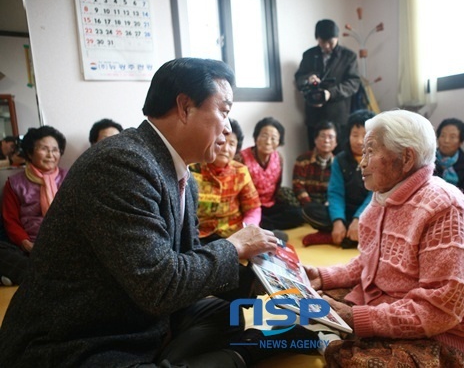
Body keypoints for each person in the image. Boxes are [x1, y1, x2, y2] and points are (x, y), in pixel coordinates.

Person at [0, 58, 280, 368]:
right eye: (224, 111)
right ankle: (236, 356)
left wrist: (266, 283)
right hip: (78, 338)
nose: (228, 128)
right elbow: (160, 285)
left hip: (145, 319)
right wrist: (235, 245)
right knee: (254, 336)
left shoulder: (178, 172)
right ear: (185, 106)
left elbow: (189, 258)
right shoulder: (121, 164)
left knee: (278, 318)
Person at [304, 109, 464, 367]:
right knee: (307, 303)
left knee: (360, 361)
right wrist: (323, 276)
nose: (362, 162)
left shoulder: (447, 211)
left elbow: (437, 312)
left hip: (448, 335)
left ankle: (335, 341)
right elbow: (369, 263)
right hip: (391, 301)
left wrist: (354, 318)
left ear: (406, 158)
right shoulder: (382, 197)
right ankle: (334, 337)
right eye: (363, 152)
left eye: (371, 151)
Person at [0, 125, 68, 285]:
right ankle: (49, 276)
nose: (51, 155)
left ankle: (27, 276)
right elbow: (11, 221)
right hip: (29, 247)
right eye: (44, 149)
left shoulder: (70, 177)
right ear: (30, 152)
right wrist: (27, 244)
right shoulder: (15, 183)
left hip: (66, 244)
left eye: (55, 150)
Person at [301, 110, 372, 248]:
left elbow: (375, 195)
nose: (358, 141)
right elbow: (335, 193)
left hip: (369, 211)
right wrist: (337, 221)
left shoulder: (377, 158)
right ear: (348, 135)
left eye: (364, 135)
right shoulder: (340, 159)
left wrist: (358, 219)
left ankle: (334, 237)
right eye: (354, 135)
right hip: (345, 211)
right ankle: (346, 235)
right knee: (309, 210)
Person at [189, 118, 261, 244]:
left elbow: (253, 207)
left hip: (234, 235)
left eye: (232, 144)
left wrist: (248, 228)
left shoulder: (240, 171)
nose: (226, 149)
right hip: (199, 236)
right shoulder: (192, 169)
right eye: (221, 142)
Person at [295, 19, 361, 151]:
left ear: (337, 38)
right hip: (314, 115)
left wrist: (330, 93)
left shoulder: (349, 56)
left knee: (339, 155)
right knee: (314, 156)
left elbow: (353, 83)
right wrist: (308, 79)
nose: (326, 46)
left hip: (338, 115)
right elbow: (298, 79)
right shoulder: (309, 55)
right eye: (322, 42)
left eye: (330, 42)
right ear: (317, 38)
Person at [237, 117, 303, 232]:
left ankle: (263, 227)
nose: (268, 142)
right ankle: (262, 226)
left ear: (279, 142)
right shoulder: (241, 158)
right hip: (248, 207)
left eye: (274, 138)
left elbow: (277, 186)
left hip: (270, 206)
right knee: (242, 220)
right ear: (256, 138)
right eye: (264, 136)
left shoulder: (279, 158)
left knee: (298, 214)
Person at [292, 121, 337, 210]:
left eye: (330, 137)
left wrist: (328, 204)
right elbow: (298, 186)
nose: (326, 140)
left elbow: (337, 191)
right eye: (323, 136)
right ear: (315, 140)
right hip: (306, 201)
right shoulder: (302, 159)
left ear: (336, 143)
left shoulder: (338, 163)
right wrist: (309, 205)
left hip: (327, 202)